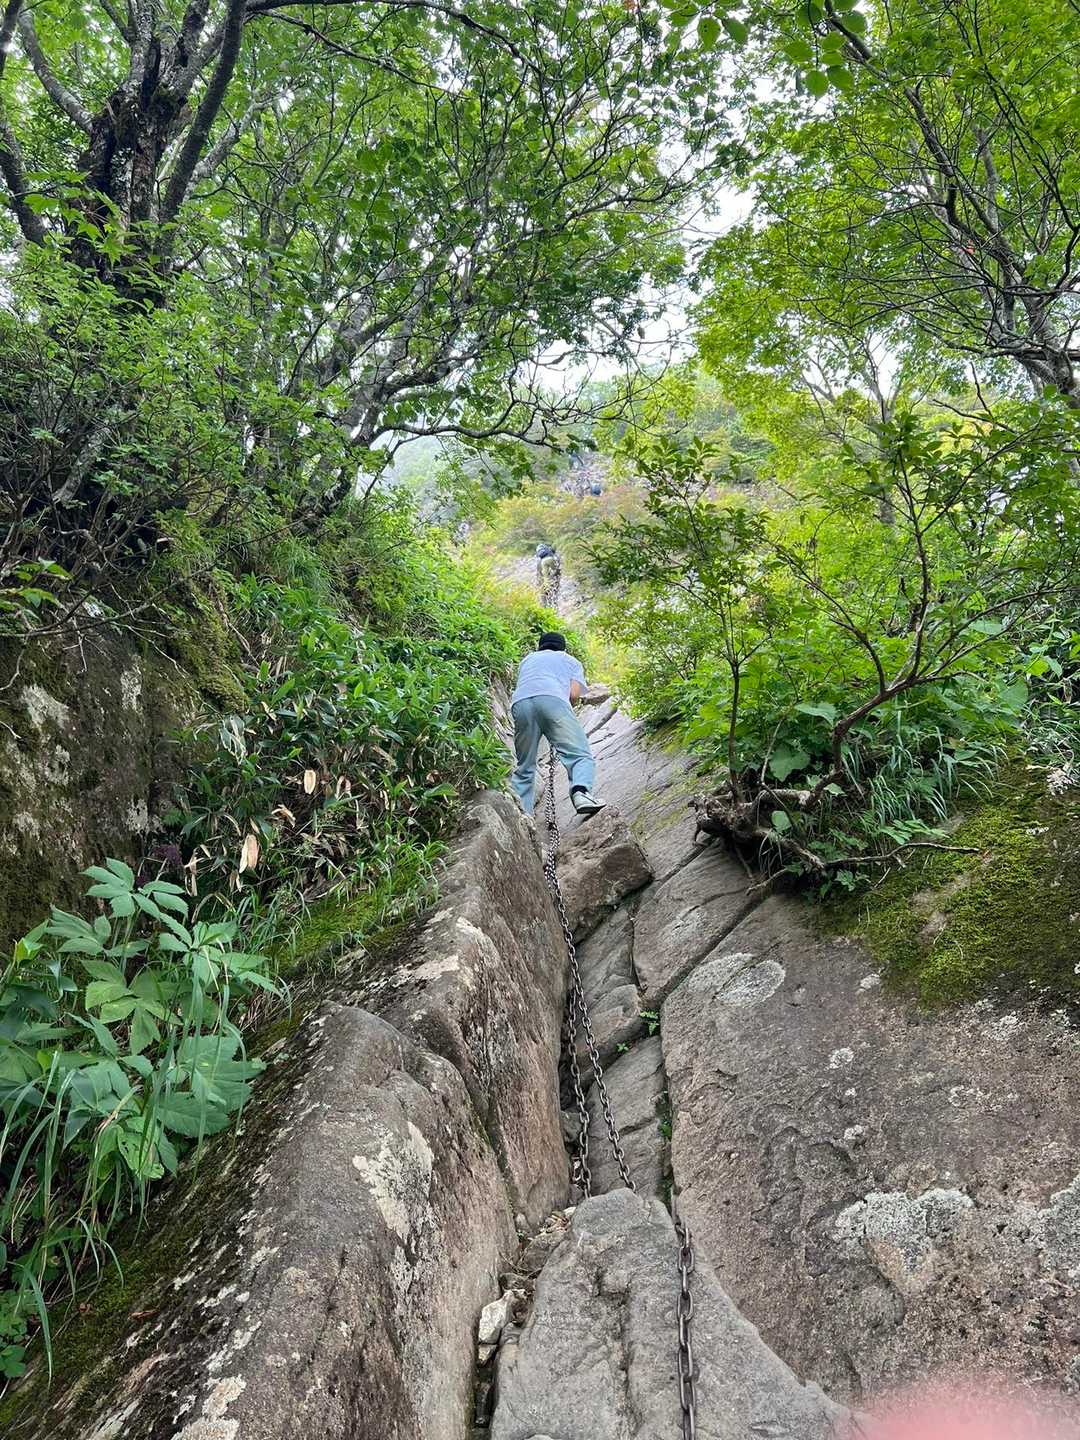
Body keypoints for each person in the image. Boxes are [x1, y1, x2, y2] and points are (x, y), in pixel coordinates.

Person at [510, 632, 606, 818]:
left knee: (525, 765)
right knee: (579, 755)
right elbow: (573, 695)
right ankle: (581, 794)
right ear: (563, 648)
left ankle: (522, 816)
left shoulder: (527, 660)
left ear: (540, 646)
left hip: (521, 703)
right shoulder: (569, 660)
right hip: (553, 700)